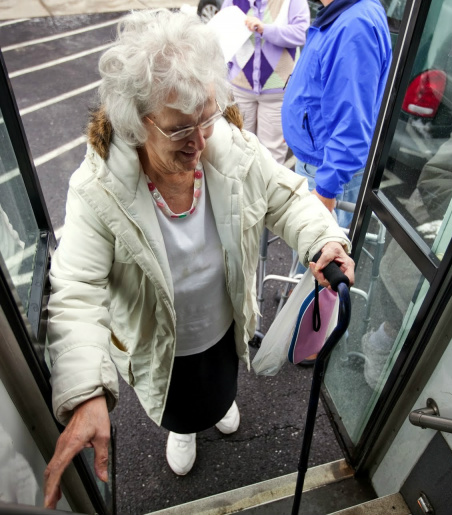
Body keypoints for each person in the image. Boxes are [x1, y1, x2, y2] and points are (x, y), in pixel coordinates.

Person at [43, 9, 354, 509]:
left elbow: (285, 196)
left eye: (208, 116)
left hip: (222, 323)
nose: (201, 141)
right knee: (179, 402)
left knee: (222, 379)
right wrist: (84, 392)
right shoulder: (97, 190)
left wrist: (324, 240)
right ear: (135, 122)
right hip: (163, 344)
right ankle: (184, 430)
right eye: (179, 130)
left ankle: (221, 404)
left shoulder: (226, 147)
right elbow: (77, 291)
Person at [281, 0, 392, 228]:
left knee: (314, 258)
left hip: (324, 171)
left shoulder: (354, 26)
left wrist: (326, 189)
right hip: (318, 162)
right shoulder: (345, 16)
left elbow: (352, 123)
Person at [220, 0, 309, 165]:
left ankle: (267, 191)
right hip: (240, 88)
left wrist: (265, 29)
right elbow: (223, 32)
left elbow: (301, 33)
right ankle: (243, 191)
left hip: (277, 91)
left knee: (271, 157)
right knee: (238, 150)